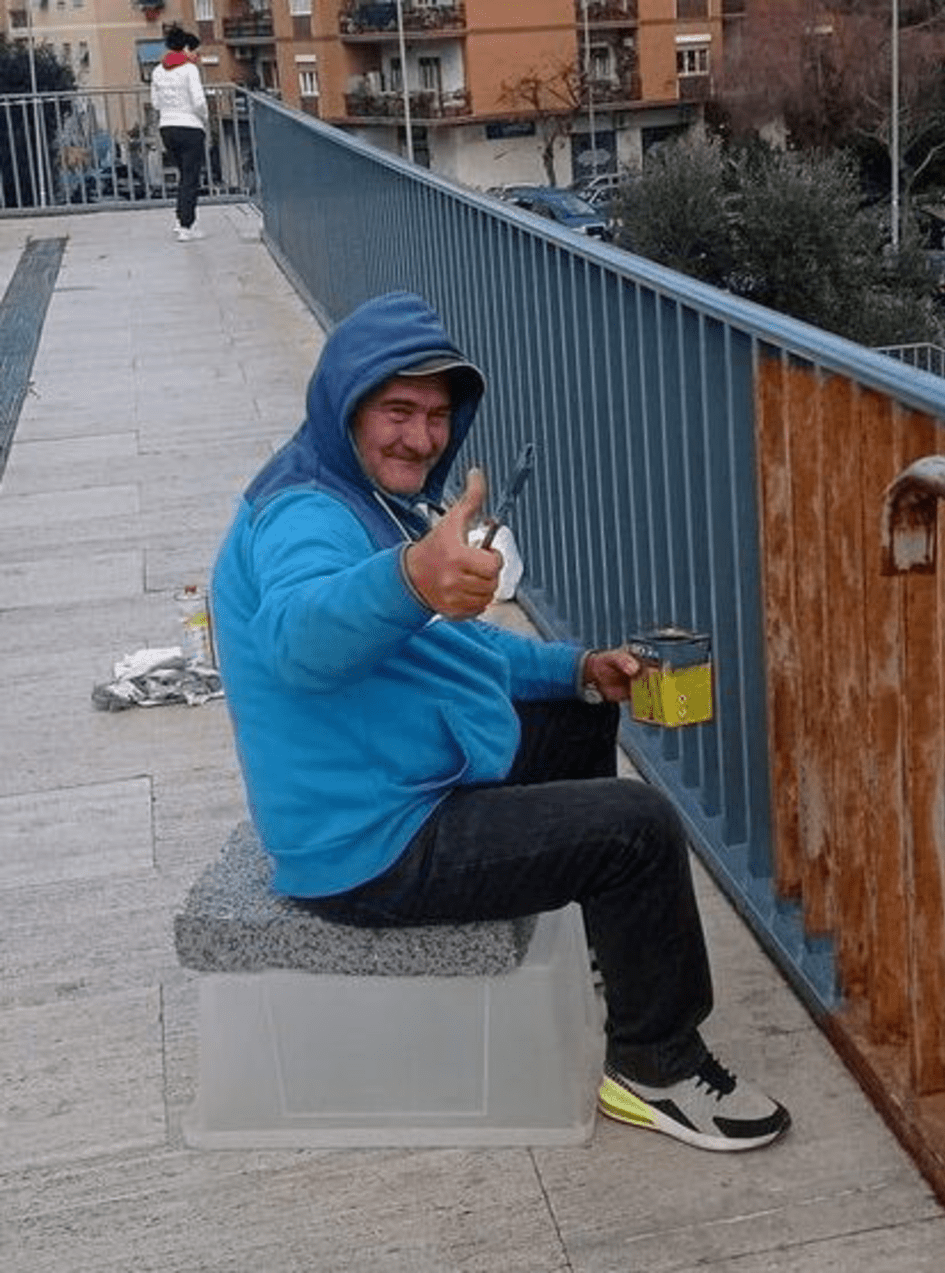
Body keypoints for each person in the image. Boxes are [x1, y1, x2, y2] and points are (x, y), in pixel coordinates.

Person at [211, 291, 790, 1153]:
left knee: (574, 710)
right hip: (366, 849)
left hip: (387, 786)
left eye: (438, 415)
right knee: (638, 827)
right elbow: (301, 636)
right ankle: (656, 1064)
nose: (420, 437)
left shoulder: (357, 489)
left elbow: (454, 647)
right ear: (345, 406)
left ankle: (611, 958)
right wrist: (412, 574)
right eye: (397, 411)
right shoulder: (308, 514)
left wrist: (581, 669)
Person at [151, 27, 207, 242]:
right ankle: (186, 226)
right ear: (185, 48)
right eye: (194, 51)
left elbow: (155, 103)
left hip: (167, 128)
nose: (196, 56)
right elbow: (199, 101)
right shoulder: (189, 70)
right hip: (190, 128)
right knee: (191, 178)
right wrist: (204, 117)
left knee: (183, 176)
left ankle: (180, 220)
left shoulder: (157, 71)